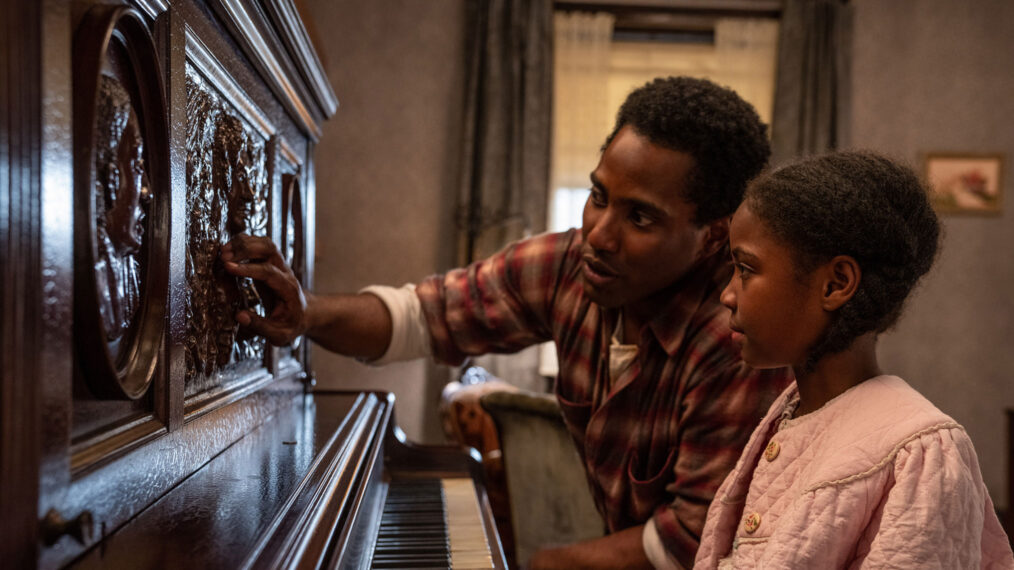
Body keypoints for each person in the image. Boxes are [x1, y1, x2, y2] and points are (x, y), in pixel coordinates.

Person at [222, 76, 793, 569]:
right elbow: (420, 317)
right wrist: (307, 311)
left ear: (712, 236)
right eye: (599, 196)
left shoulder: (739, 337)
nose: (598, 234)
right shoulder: (570, 265)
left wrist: (543, 564)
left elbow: (693, 542)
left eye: (639, 217)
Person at [695, 151, 1014, 568]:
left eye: (747, 269)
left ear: (837, 284)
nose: (728, 295)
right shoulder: (789, 412)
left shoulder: (921, 452)